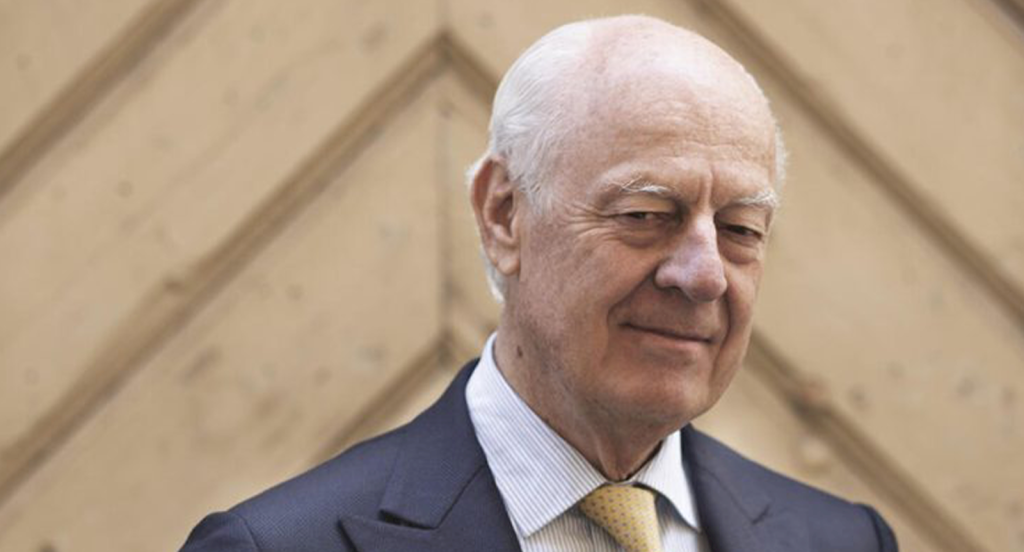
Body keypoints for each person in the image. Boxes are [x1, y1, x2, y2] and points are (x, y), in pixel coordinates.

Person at [180, 15, 898, 552]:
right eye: (646, 215)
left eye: (741, 228)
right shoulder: (273, 546)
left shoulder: (843, 541)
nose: (705, 274)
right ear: (504, 214)